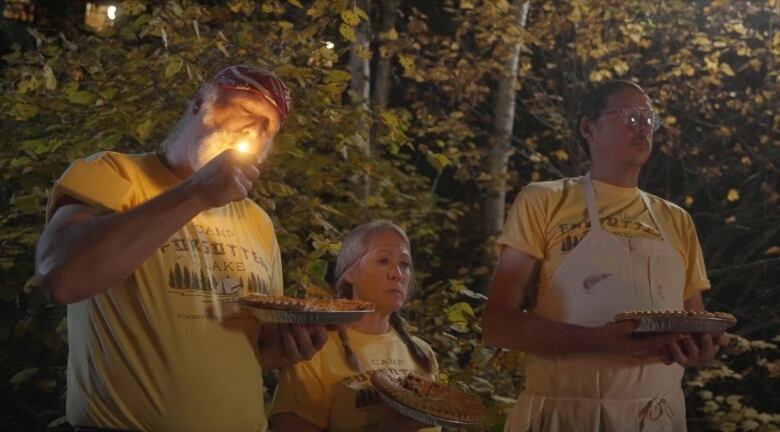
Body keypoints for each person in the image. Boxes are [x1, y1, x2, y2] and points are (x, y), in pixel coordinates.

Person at [35, 65, 330, 431]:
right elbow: (60, 275)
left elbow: (254, 349)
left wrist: (288, 345)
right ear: (197, 104)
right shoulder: (115, 174)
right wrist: (195, 194)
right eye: (245, 110)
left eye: (268, 127)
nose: (254, 129)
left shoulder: (258, 222)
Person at [482, 80, 729, 431]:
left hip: (657, 418)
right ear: (588, 128)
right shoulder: (545, 201)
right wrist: (596, 341)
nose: (643, 126)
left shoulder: (676, 220)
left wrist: (703, 350)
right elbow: (497, 324)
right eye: (630, 116)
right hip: (562, 416)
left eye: (649, 118)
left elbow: (694, 319)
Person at [270, 221, 439, 432]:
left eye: (404, 264)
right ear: (351, 273)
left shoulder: (422, 353)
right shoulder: (313, 348)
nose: (397, 273)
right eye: (383, 260)